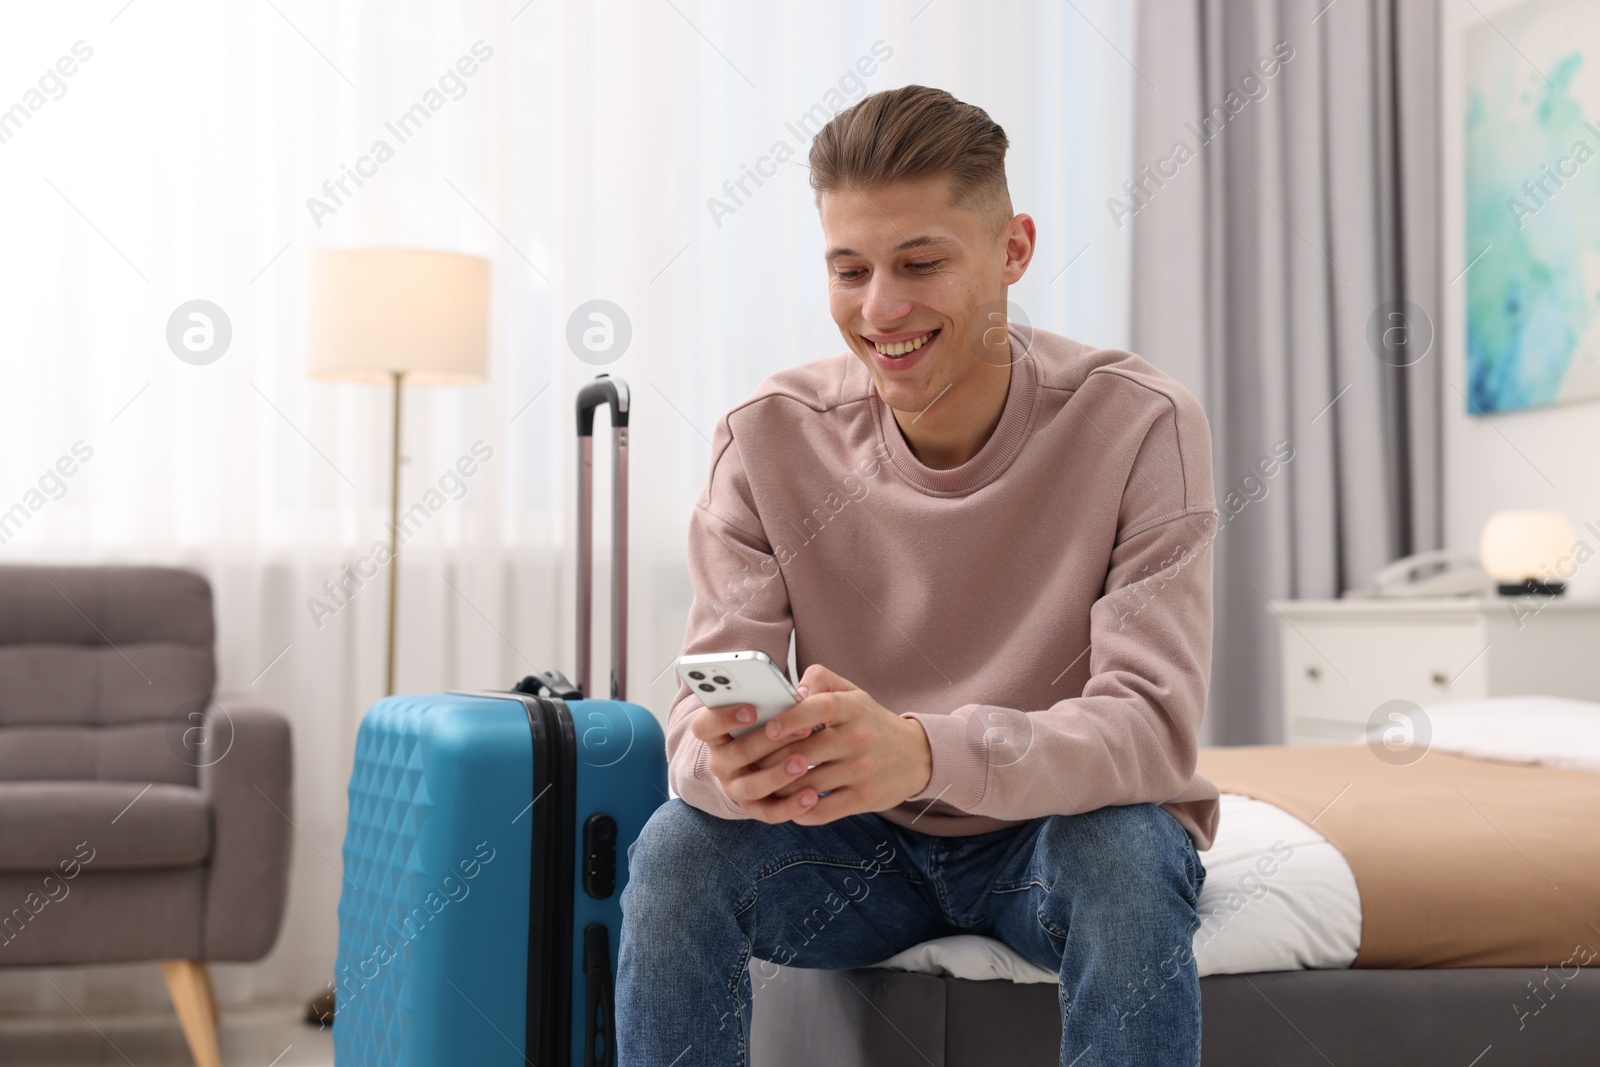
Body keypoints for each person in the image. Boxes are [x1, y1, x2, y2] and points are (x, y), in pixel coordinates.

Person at [618, 84, 1221, 1067]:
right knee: (676, 848)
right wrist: (727, 763)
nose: (879, 309)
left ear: (1013, 249)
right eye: (848, 269)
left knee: (1127, 855)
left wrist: (922, 750)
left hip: (1048, 835)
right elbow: (701, 716)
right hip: (847, 842)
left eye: (920, 262)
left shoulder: (1139, 422)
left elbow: (1150, 728)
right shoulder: (768, 437)